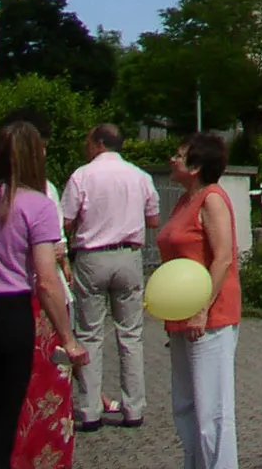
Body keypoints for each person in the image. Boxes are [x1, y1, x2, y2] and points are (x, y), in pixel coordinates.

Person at [0, 119, 87, 469]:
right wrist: (69, 338)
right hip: (30, 311)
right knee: (40, 397)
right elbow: (46, 276)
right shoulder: (41, 199)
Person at [62, 122, 160, 431]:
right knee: (130, 334)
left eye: (89, 141)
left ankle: (90, 411)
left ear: (99, 143)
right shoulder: (140, 176)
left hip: (92, 256)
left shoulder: (82, 175)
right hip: (129, 255)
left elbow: (65, 221)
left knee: (90, 333)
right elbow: (154, 220)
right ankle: (134, 408)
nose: (86, 146)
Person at [154, 132, 241, 469]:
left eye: (179, 153)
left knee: (212, 412)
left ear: (196, 164)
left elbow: (222, 259)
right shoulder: (184, 201)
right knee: (186, 406)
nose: (172, 159)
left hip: (210, 316)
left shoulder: (212, 200)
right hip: (181, 316)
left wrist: (202, 310)